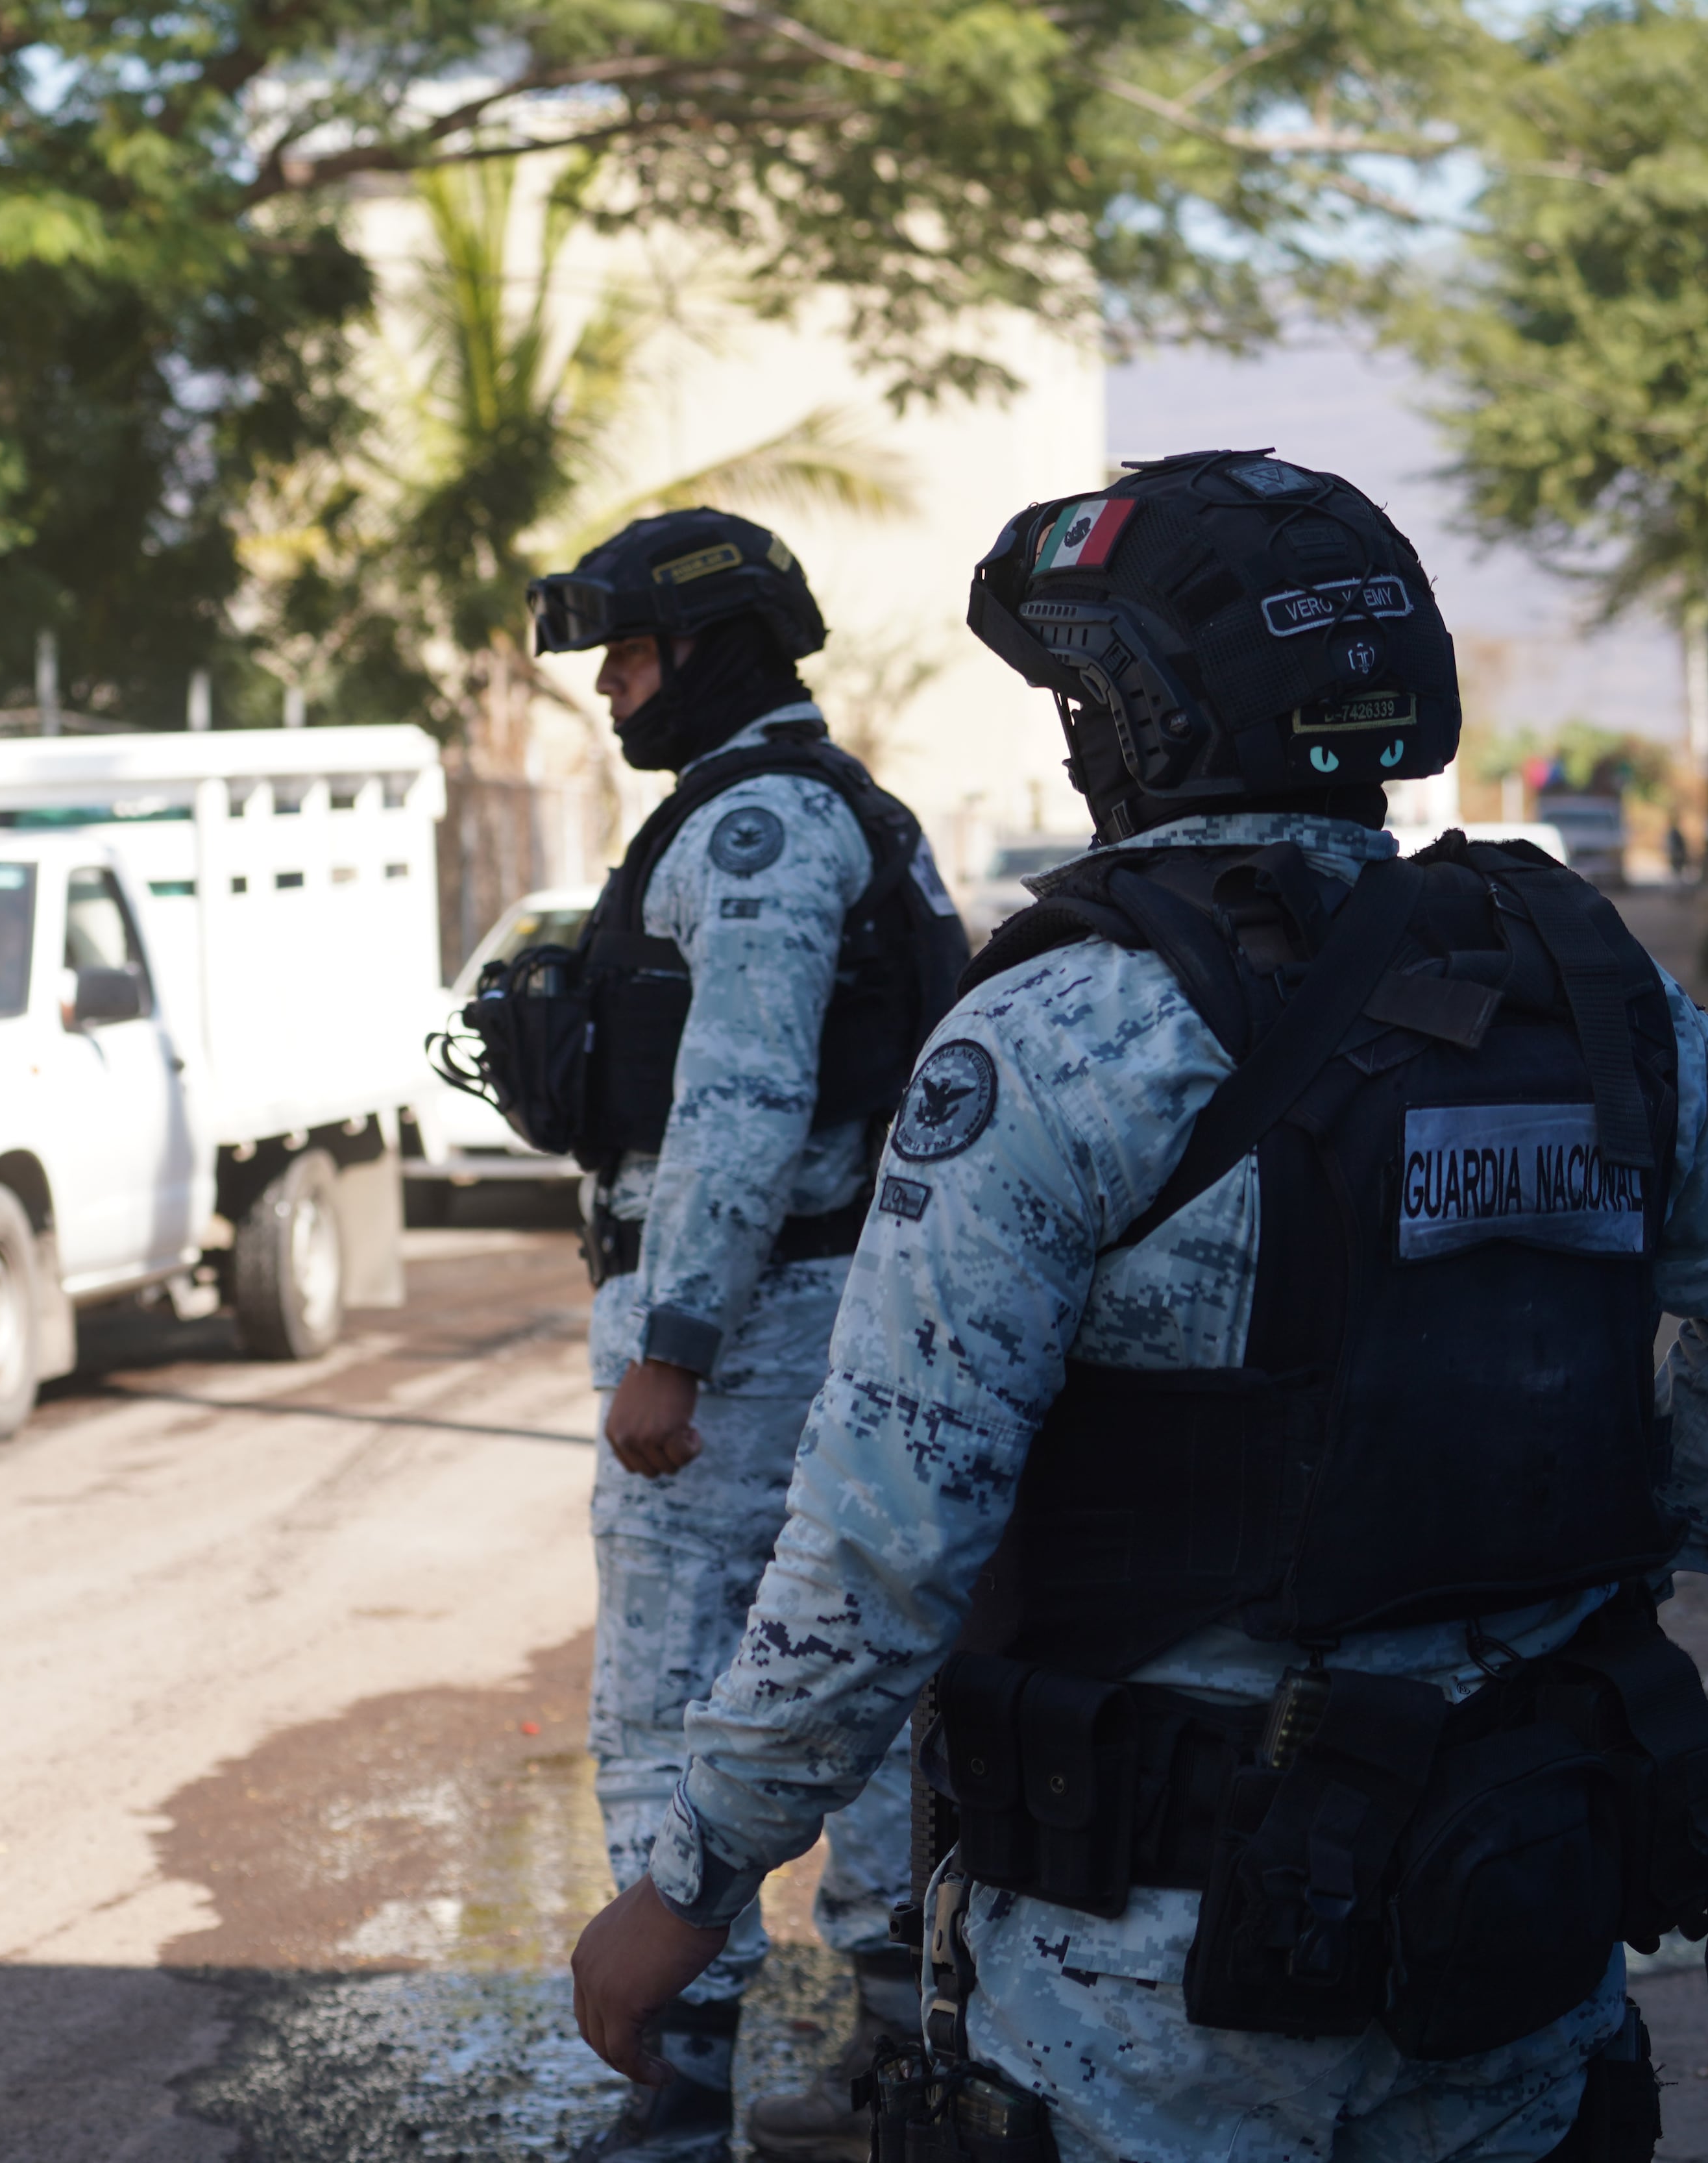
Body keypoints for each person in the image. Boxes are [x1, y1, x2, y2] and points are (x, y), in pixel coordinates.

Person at [566, 452, 1708, 2163]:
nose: (1069, 736)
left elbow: (889, 1537)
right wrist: (1605, 1547)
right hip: (1517, 1885)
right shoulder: (1581, 978)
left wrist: (694, 1873)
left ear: (1143, 718)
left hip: (1166, 1968)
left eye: (1076, 696)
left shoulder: (1057, 1033)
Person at [518, 507, 966, 2162]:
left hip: (759, 1331)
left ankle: (679, 2086)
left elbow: (746, 1100)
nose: (614, 690)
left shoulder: (762, 827)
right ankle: (903, 2061)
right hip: (839, 1316)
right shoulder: (839, 811)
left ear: (709, 650)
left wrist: (677, 1344)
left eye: (630, 656)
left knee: (665, 1690)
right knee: (851, 1677)